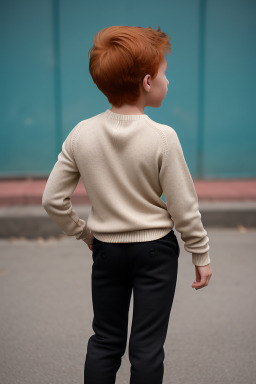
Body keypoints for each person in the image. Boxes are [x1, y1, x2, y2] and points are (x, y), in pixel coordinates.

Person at [42, 25, 212, 384]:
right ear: (148, 82)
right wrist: (200, 253)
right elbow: (184, 207)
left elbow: (52, 200)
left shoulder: (81, 134)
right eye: (166, 74)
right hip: (155, 250)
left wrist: (84, 233)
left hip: (106, 250)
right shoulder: (163, 137)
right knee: (147, 348)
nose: (170, 81)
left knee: (105, 340)